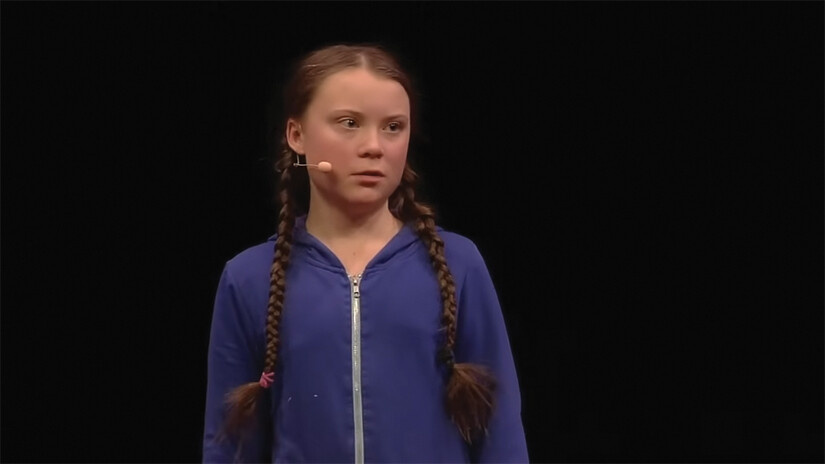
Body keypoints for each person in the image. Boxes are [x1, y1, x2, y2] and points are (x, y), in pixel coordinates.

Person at [202, 42, 529, 463]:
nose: (374, 146)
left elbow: (500, 431)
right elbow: (228, 443)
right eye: (349, 123)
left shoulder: (457, 264)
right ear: (296, 134)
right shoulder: (248, 278)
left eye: (393, 127)